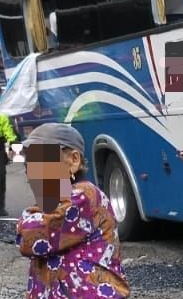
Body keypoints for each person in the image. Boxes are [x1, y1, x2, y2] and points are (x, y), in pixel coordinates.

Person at [16, 122, 130, 298]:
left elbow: (29, 236)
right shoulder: (61, 199)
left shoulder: (83, 196)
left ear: (74, 160)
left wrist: (30, 216)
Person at [0, 111, 18, 216]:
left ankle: (0, 207)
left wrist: (13, 143)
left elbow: (8, 130)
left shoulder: (1, 113)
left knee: (0, 177)